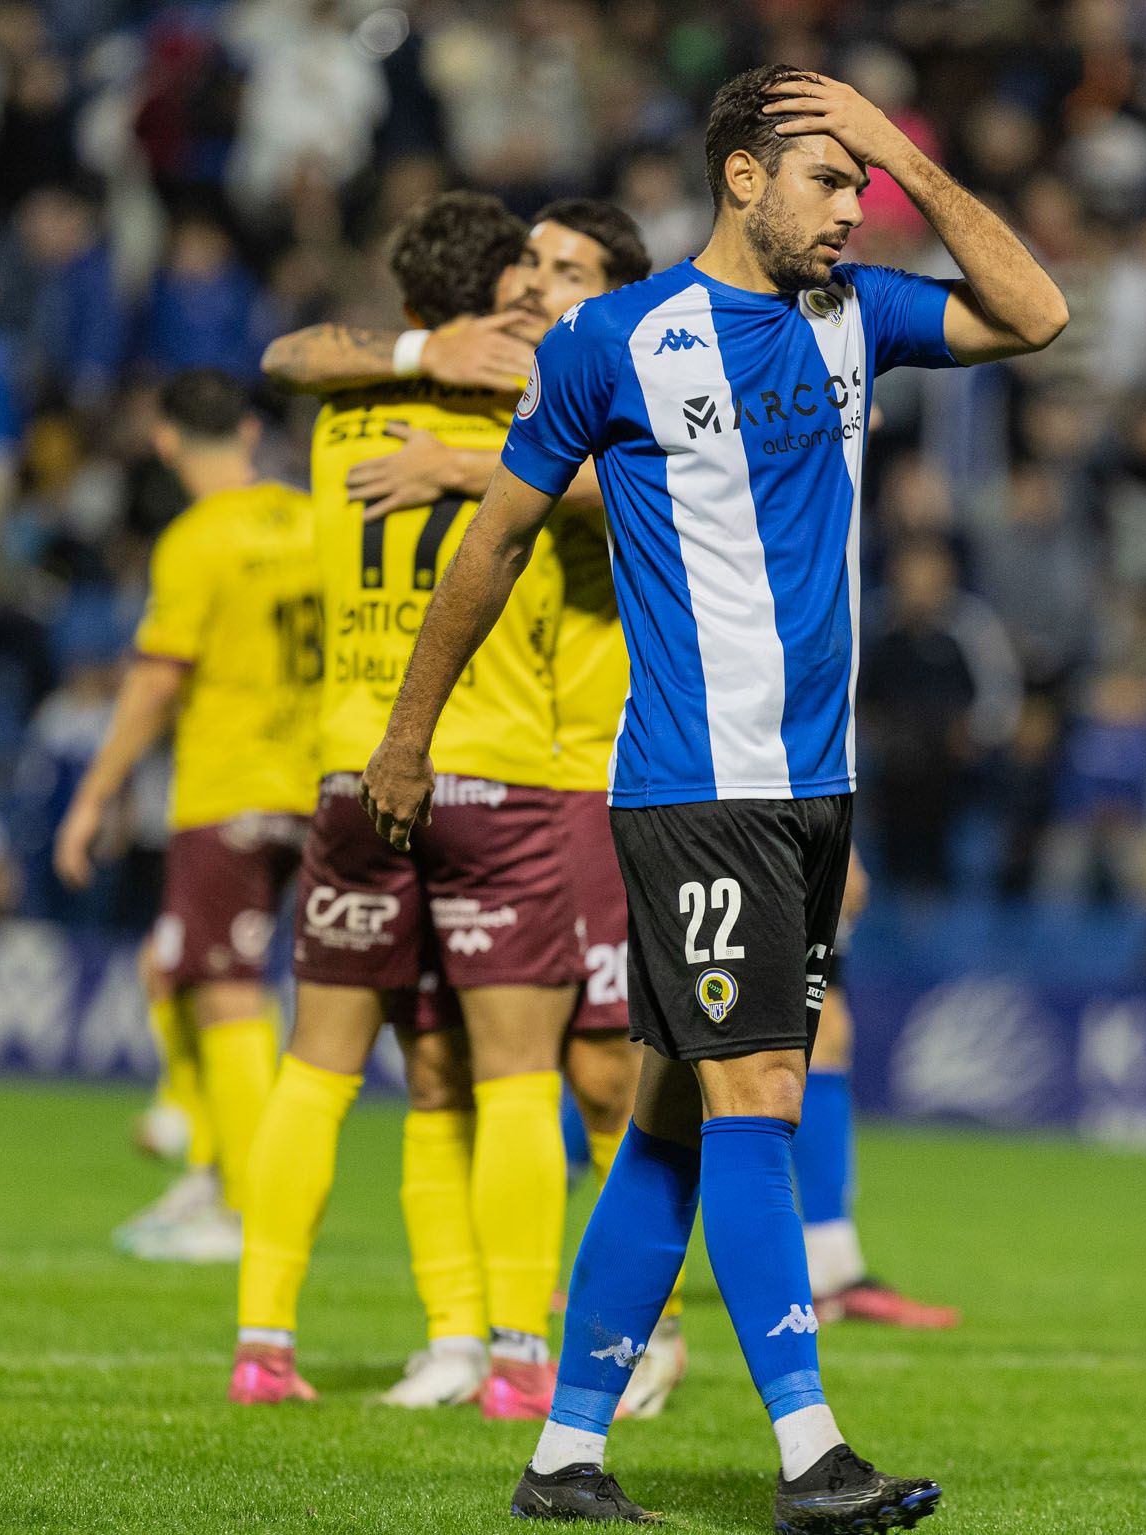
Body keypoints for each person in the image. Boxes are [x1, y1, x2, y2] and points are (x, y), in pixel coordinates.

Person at [362, 63, 1065, 1531]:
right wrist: (408, 736)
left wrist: (908, 162)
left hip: (814, 789)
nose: (851, 207)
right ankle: (813, 1455)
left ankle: (564, 1452)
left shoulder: (858, 315)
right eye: (829, 179)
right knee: (763, 1093)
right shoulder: (617, 342)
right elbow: (488, 544)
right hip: (698, 785)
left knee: (676, 1122)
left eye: (861, 185)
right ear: (741, 176)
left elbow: (1036, 313)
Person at [272, 200, 690, 1415]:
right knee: (448, 1059)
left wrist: (479, 471)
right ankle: (468, 1334)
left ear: (611, 294)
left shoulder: (637, 379)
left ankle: (641, 1325)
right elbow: (292, 355)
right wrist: (423, 358)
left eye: (564, 270)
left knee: (608, 1073)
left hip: (621, 769)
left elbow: (661, 497)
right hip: (512, 775)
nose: (532, 286)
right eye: (528, 264)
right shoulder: (492, 381)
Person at [232, 192, 578, 1418]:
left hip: (347, 769)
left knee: (325, 1069)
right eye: (526, 280)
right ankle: (519, 1357)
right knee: (517, 1077)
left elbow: (286, 352)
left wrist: (415, 350)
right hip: (494, 766)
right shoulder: (535, 396)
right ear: (497, 295)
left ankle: (264, 1339)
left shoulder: (343, 405)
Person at [52, 370, 317, 1263]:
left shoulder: (194, 541)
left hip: (228, 787)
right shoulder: (318, 519)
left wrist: (93, 798)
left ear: (165, 441)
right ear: (248, 430)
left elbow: (157, 681)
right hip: (321, 783)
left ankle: (239, 1203)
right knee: (170, 967)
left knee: (223, 988)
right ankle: (203, 1159)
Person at [798, 848, 958, 1328]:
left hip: (787, 810)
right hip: (771, 812)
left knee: (825, 1032)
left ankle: (832, 1263)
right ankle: (830, 1269)